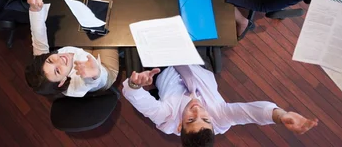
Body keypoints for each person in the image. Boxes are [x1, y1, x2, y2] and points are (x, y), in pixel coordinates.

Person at [123, 65, 318, 146]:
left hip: (165, 68)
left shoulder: (166, 118)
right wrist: (280, 116)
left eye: (191, 119)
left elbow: (140, 100)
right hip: (195, 64)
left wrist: (135, 84)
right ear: (213, 123)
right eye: (205, 119)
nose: (198, 110)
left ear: (180, 126)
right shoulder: (220, 118)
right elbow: (250, 113)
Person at [24, 0, 119, 97]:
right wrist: (96, 75)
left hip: (82, 51)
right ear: (62, 82)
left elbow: (38, 35)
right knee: (111, 30)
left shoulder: (44, 63)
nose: (59, 60)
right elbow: (97, 82)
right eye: (58, 71)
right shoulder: (77, 86)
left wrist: (35, 10)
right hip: (104, 69)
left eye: (50, 60)